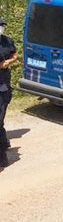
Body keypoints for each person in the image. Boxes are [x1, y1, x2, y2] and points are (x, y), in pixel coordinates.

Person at [0, 17, 17, 169]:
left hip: (3, 85)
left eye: (2, 26)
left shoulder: (7, 41)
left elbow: (15, 55)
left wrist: (8, 62)